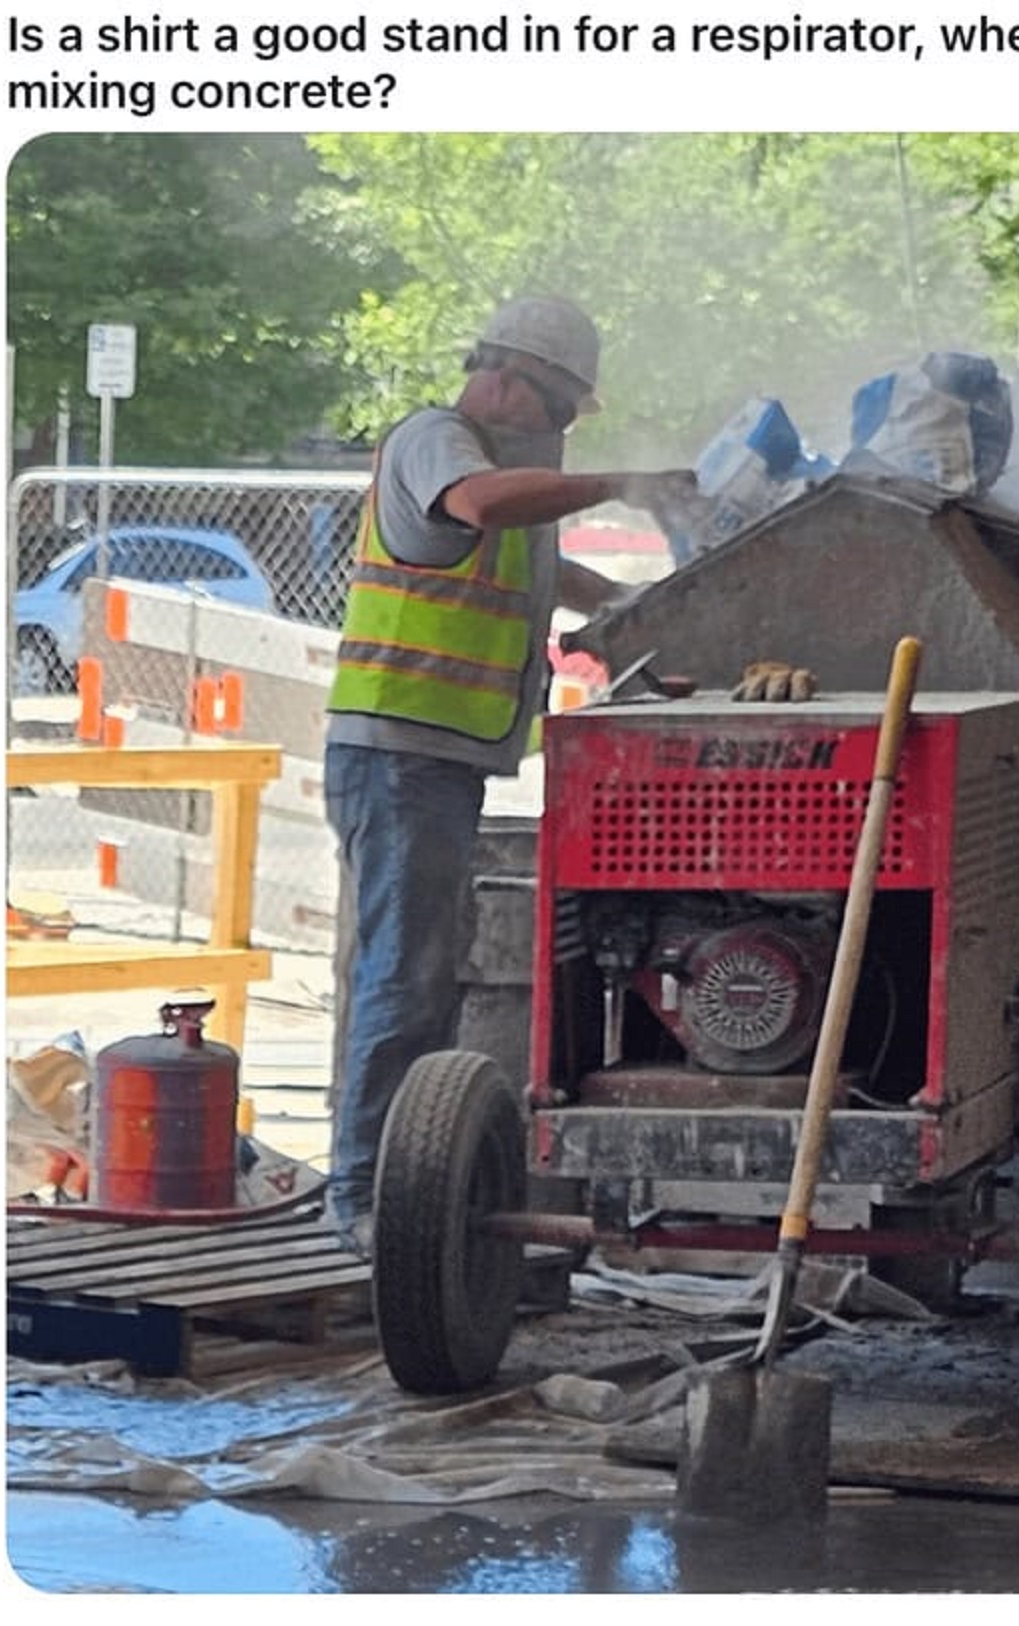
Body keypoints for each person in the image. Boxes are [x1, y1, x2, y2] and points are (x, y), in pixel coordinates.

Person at [323, 294, 698, 1256]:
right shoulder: (439, 444)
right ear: (500, 377)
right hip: (400, 753)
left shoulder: (505, 474)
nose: (561, 432)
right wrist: (621, 483)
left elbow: (542, 572)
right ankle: (364, 1199)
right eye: (557, 410)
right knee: (403, 980)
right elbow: (482, 510)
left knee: (422, 979)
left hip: (442, 757)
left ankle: (397, 1189)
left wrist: (639, 606)